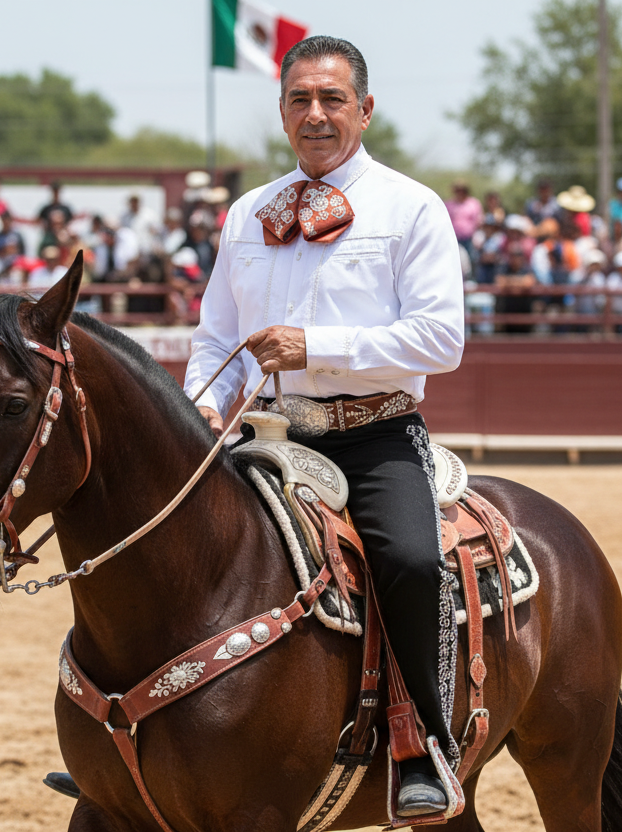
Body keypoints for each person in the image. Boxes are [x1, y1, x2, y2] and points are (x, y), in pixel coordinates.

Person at [183, 35, 464, 817]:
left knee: (408, 559)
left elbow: (442, 340)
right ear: (281, 113)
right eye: (300, 100)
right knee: (168, 539)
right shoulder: (247, 213)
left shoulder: (411, 207)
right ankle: (144, 736)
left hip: (376, 435)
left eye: (332, 99)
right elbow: (218, 336)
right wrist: (205, 404)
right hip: (270, 436)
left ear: (365, 111)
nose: (316, 114)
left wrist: (318, 347)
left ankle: (425, 745)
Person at [445, 180, 482, 274]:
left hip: (469, 238)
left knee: (472, 258)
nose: (459, 192)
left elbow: (478, 220)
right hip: (453, 238)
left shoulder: (473, 203)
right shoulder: (449, 204)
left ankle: (472, 279)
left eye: (462, 190)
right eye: (457, 190)